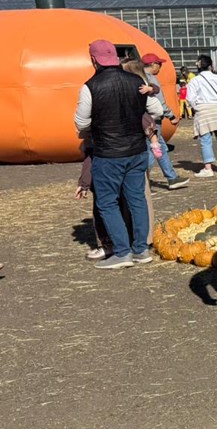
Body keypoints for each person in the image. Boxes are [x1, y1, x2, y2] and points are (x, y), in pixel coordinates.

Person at [74, 40, 162, 269]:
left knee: (107, 202)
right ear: (114, 57)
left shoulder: (90, 86)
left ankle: (122, 252)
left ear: (93, 60)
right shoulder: (136, 81)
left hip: (107, 153)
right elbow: (157, 110)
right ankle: (141, 249)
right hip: (136, 150)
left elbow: (81, 122)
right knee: (136, 198)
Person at [141, 53, 189, 189]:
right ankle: (142, 181)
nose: (160, 67)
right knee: (152, 149)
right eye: (159, 64)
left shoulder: (137, 77)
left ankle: (172, 177)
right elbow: (159, 102)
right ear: (153, 64)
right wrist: (171, 115)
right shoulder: (151, 79)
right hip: (153, 120)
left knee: (160, 147)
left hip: (143, 119)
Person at [187, 55, 217, 177]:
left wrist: (197, 108)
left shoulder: (195, 80)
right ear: (210, 66)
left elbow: (190, 98)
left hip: (203, 110)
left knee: (205, 140)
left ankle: (208, 168)